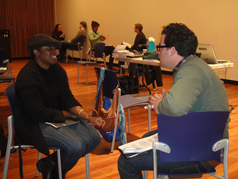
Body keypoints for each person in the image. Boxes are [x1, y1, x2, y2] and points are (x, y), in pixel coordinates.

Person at [118, 23, 230, 179]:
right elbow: (184, 103)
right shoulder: (194, 65)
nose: (157, 51)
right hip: (206, 141)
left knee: (125, 161)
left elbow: (176, 107)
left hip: (203, 152)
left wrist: (160, 105)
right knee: (146, 138)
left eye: (160, 47)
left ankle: (176, 174)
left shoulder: (191, 70)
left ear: (172, 50)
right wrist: (166, 101)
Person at [15, 34, 102, 179]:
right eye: (49, 48)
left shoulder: (58, 70)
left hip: (55, 118)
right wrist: (68, 115)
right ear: (36, 52)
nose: (54, 51)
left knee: (94, 138)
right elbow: (38, 113)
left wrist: (87, 116)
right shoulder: (27, 76)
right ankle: (57, 173)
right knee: (76, 146)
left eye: (55, 48)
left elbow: (67, 98)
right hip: (34, 124)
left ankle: (51, 164)